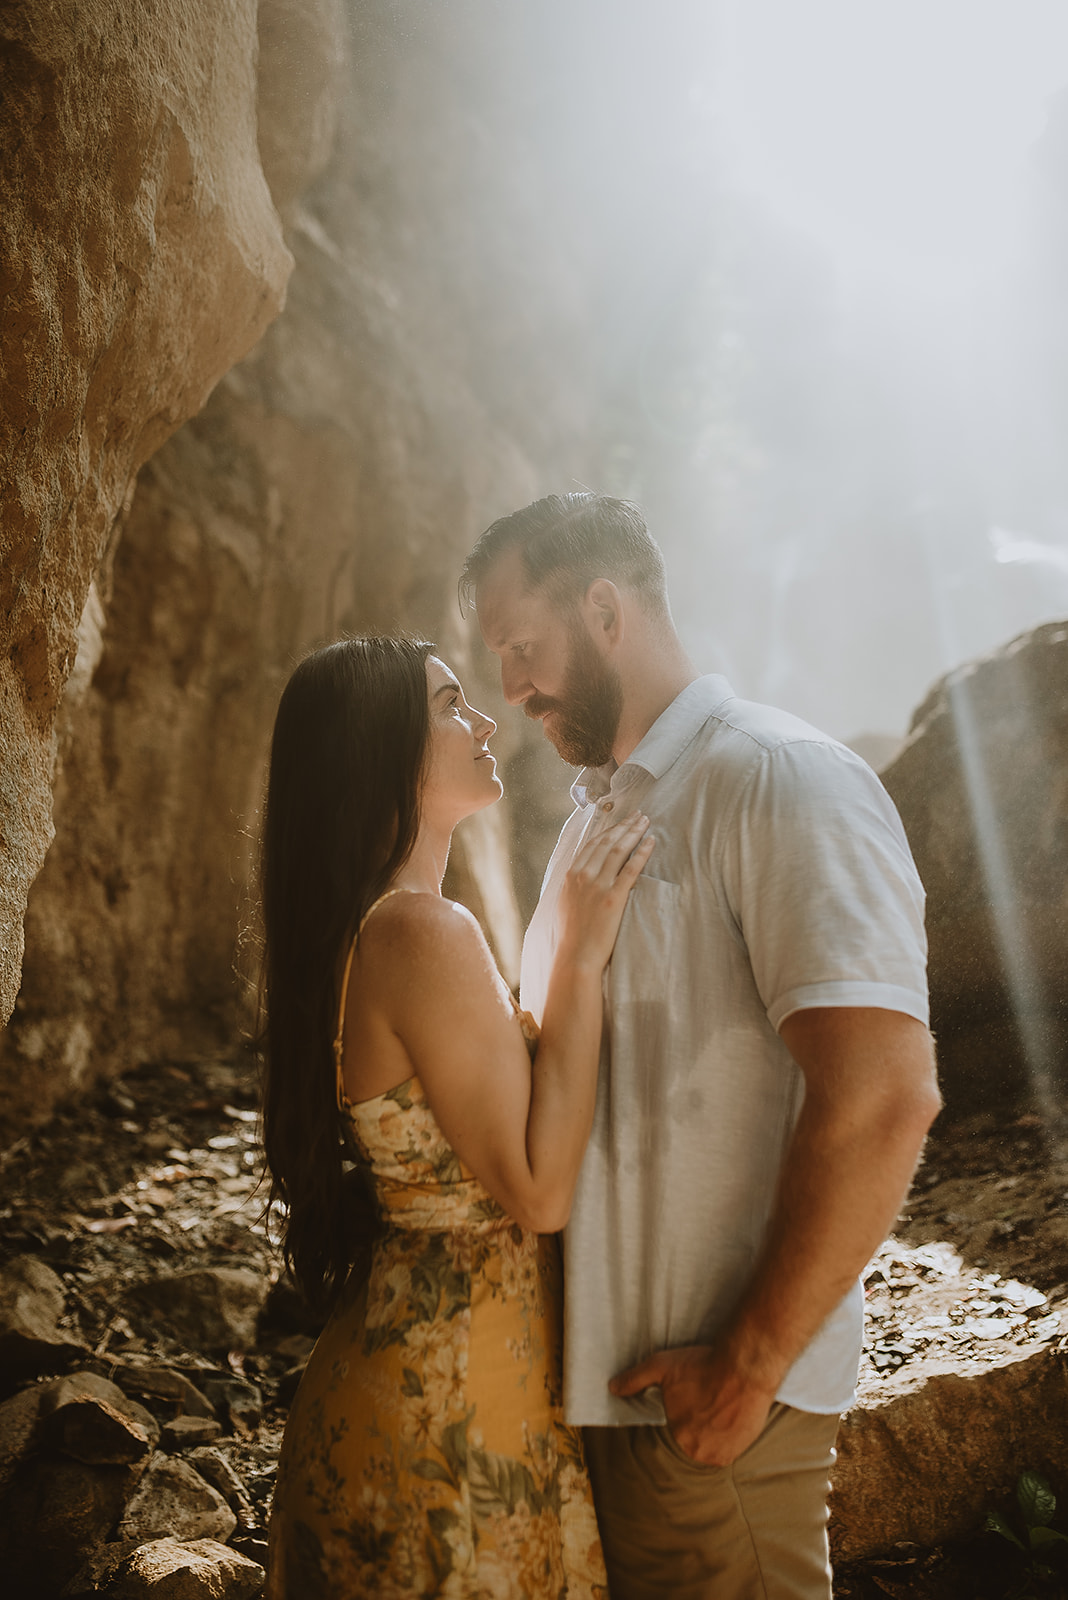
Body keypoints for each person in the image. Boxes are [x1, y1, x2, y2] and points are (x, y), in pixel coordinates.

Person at [461, 493, 943, 1600]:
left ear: (603, 608)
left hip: (715, 1410)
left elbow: (883, 1096)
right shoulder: (595, 819)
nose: (513, 688)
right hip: (622, 1397)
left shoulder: (783, 779)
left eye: (523, 647)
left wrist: (751, 1364)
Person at [261, 634, 653, 1599]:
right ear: (377, 749)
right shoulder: (419, 931)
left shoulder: (367, 930)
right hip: (449, 1417)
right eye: (447, 705)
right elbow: (538, 1191)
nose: (482, 721)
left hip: (427, 1382)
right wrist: (581, 960)